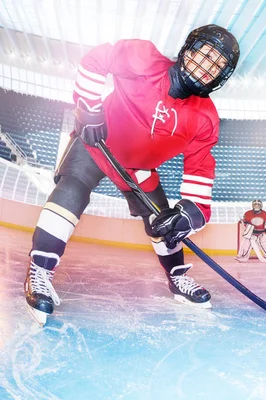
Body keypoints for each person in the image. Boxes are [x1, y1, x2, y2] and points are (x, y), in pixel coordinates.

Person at [23, 25, 240, 326]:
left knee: (164, 223)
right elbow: (97, 59)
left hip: (138, 170)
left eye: (217, 66)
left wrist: (190, 213)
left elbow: (200, 169)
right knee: (71, 191)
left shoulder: (206, 118)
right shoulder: (145, 59)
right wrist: (89, 106)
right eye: (206, 55)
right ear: (188, 50)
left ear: (221, 78)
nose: (207, 67)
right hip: (97, 144)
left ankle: (177, 279)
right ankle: (40, 271)